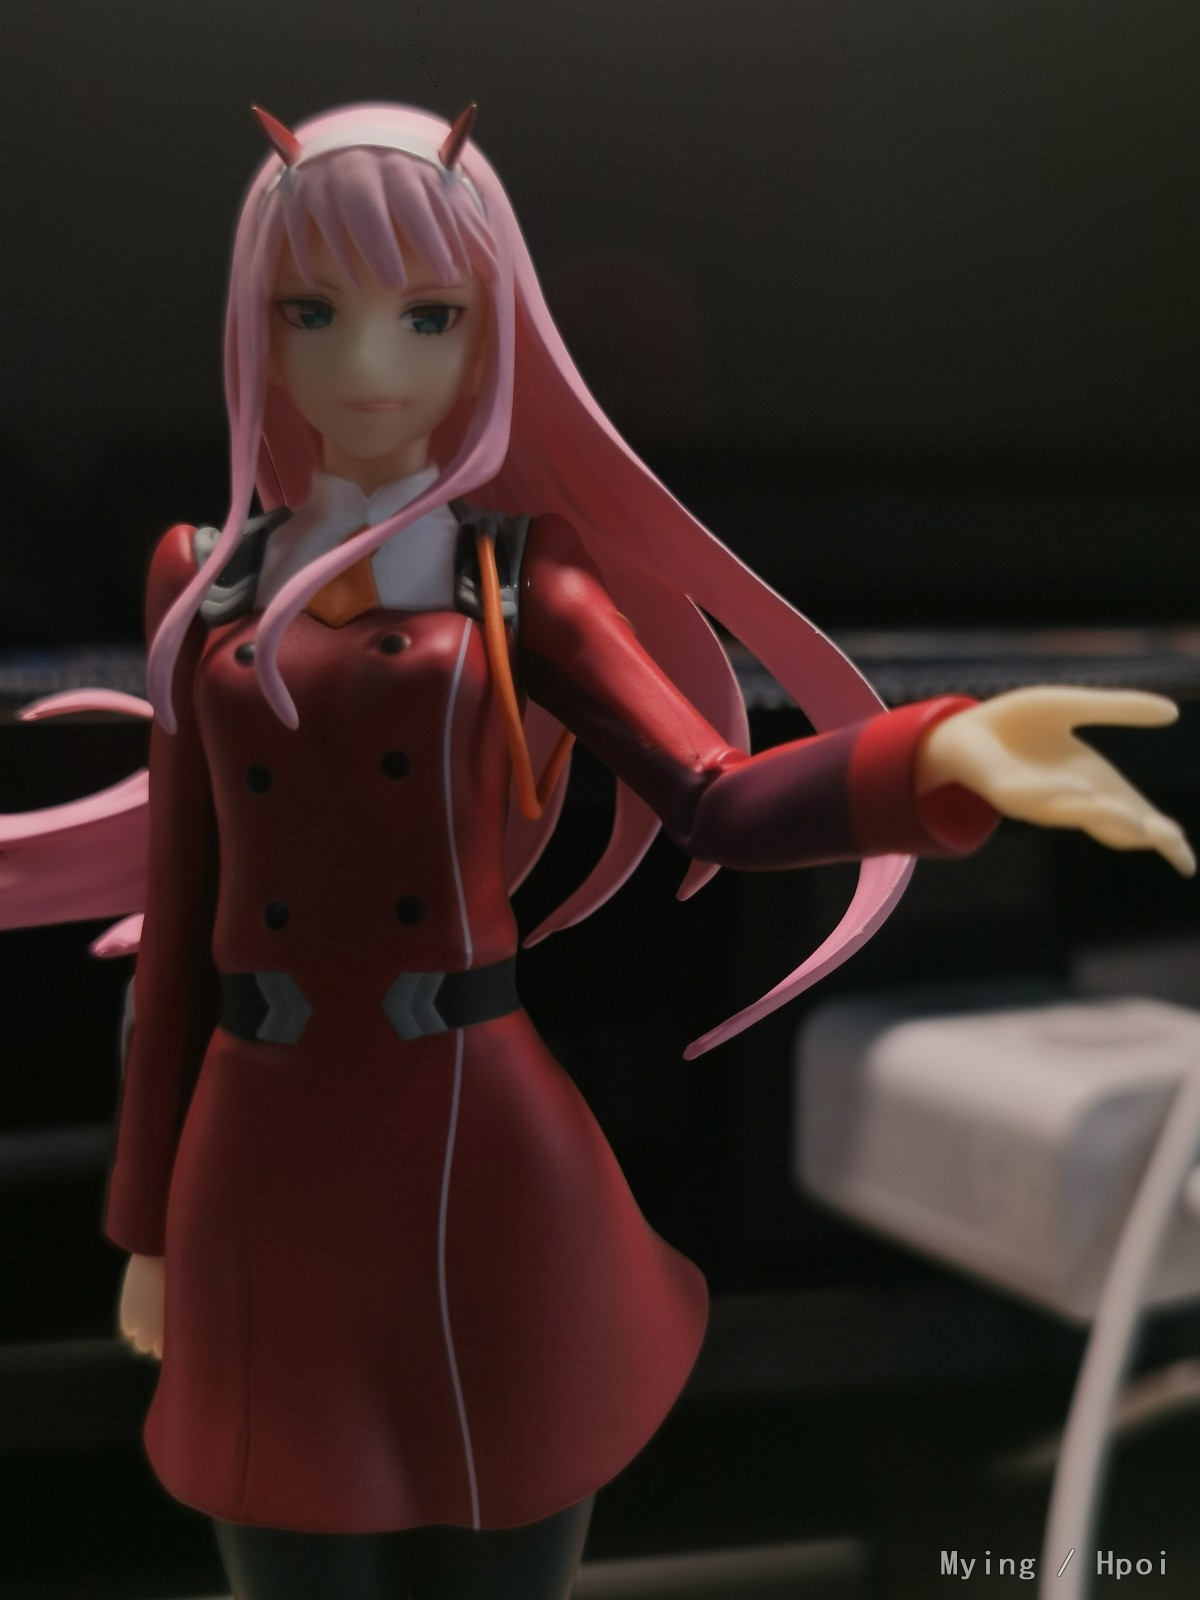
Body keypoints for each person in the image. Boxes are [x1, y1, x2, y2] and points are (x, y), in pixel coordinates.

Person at [3, 102, 1191, 1600]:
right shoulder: (204, 580)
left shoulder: (520, 581)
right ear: (260, 330)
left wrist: (931, 757)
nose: (368, 364)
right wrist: (148, 1226)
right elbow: (182, 924)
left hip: (474, 1136)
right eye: (313, 312)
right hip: (262, 1153)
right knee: (288, 1528)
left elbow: (715, 798)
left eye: (427, 317)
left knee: (504, 1521)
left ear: (489, 334)